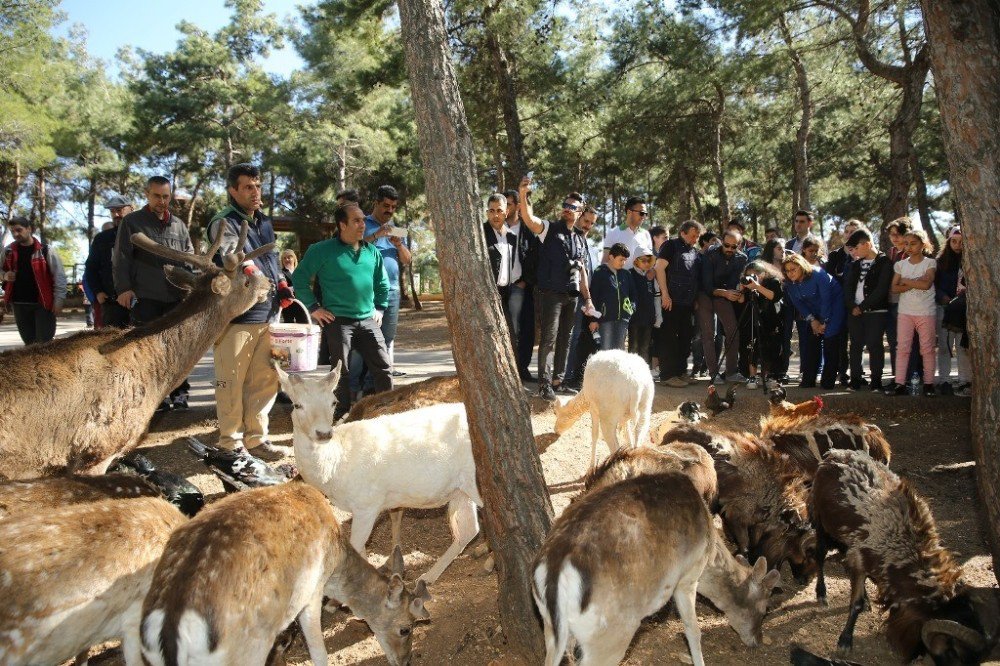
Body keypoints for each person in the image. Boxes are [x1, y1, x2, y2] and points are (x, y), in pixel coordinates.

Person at [207, 163, 283, 457]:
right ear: (233, 191)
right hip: (236, 315)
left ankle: (257, 438)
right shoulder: (223, 221)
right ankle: (230, 442)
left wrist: (281, 283)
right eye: (248, 187)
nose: (255, 192)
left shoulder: (264, 221)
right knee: (231, 381)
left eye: (258, 186)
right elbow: (231, 255)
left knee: (264, 380)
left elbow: (272, 259)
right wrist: (252, 271)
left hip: (268, 312)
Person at [293, 203, 392, 419]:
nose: (362, 224)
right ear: (342, 224)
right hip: (338, 321)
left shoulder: (372, 251)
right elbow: (299, 279)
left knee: (383, 367)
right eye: (356, 220)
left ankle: (388, 411)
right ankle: (342, 415)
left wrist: (380, 308)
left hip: (368, 320)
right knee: (342, 373)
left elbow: (382, 284)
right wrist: (313, 308)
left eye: (363, 220)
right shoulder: (321, 250)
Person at [113, 176, 194, 410]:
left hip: (176, 298)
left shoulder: (178, 225)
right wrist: (124, 288)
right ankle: (152, 397)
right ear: (147, 195)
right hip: (147, 296)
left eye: (166, 196)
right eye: (157, 196)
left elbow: (188, 254)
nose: (162, 201)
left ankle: (179, 394)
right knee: (148, 350)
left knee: (179, 348)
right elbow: (121, 258)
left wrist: (192, 284)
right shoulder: (132, 222)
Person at [517, 175, 594, 400]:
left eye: (573, 207)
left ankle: (558, 381)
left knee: (565, 339)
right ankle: (544, 384)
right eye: (566, 205)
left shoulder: (580, 239)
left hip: (572, 296)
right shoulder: (549, 228)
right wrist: (523, 194)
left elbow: (582, 272)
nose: (568, 209)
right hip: (550, 294)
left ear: (580, 213)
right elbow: (529, 219)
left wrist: (587, 299)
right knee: (549, 340)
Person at [350, 185, 411, 395]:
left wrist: (399, 246)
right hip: (366, 291)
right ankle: (351, 388)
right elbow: (353, 249)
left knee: (385, 340)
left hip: (392, 292)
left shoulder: (396, 228)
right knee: (360, 341)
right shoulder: (362, 224)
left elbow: (407, 260)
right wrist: (376, 235)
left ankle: (371, 389)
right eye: (386, 206)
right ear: (375, 203)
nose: (390, 210)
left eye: (394, 207)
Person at [885, 229, 937, 396]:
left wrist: (905, 281)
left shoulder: (929, 263)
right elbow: (894, 288)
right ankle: (900, 383)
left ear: (923, 244)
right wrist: (916, 281)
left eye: (913, 243)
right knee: (902, 348)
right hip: (905, 312)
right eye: (906, 244)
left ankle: (929, 384)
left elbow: (927, 284)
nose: (909, 247)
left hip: (926, 311)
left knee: (927, 349)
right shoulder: (900, 264)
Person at [781, 253, 845, 389]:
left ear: (802, 266)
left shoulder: (818, 274)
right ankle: (808, 379)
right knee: (811, 341)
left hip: (833, 306)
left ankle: (828, 382)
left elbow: (826, 299)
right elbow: (799, 304)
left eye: (793, 269)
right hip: (813, 311)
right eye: (787, 270)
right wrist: (812, 321)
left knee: (830, 340)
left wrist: (824, 322)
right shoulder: (789, 284)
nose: (790, 273)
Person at [1, 216, 66, 344]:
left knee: (44, 344)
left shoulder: (45, 250)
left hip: (43, 304)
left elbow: (59, 276)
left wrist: (59, 300)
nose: (15, 234)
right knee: (29, 346)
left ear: (29, 229)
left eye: (19, 230)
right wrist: (5, 275)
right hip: (19, 304)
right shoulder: (8, 251)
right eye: (13, 231)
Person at [655, 219, 704, 387]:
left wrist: (695, 299)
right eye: (692, 236)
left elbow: (695, 276)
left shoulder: (695, 252)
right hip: (671, 301)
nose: (695, 239)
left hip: (688, 303)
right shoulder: (670, 246)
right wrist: (665, 295)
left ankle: (681, 372)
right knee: (669, 338)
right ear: (682, 233)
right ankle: (667, 375)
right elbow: (659, 268)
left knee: (685, 338)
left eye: (697, 236)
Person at [842, 228, 892, 392]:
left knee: (874, 344)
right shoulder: (855, 265)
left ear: (867, 244)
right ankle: (855, 379)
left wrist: (863, 307)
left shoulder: (884, 262)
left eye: (856, 248)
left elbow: (881, 289)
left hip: (876, 312)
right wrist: (852, 306)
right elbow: (848, 287)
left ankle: (876, 381)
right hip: (854, 312)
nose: (854, 252)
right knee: (855, 345)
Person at [697, 230, 748, 384]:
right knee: (709, 334)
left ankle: (731, 372)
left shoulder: (741, 258)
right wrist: (724, 293)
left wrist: (738, 291)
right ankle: (713, 373)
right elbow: (706, 285)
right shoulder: (709, 254)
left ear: (739, 246)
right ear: (721, 242)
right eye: (726, 245)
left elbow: (734, 282)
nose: (730, 249)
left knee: (733, 331)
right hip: (705, 294)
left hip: (723, 296)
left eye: (734, 246)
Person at [560, 205, 599, 390]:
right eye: (586, 221)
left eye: (592, 223)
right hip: (571, 296)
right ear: (579, 218)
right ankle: (564, 379)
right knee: (570, 338)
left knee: (582, 341)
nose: (588, 226)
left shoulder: (590, 246)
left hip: (587, 300)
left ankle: (574, 377)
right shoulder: (569, 239)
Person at [84, 194, 134, 329]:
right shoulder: (102, 239)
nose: (116, 214)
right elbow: (91, 268)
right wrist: (98, 292)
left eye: (120, 209)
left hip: (140, 303)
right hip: (112, 304)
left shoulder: (142, 235)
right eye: (112, 211)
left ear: (131, 209)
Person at [506, 189, 540, 381]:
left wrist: (526, 280)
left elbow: (535, 257)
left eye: (510, 204)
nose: (506, 208)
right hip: (499, 288)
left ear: (518, 206)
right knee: (507, 330)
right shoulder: (494, 228)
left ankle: (522, 369)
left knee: (524, 330)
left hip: (521, 287)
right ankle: (508, 370)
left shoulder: (528, 230)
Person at [825, 219, 863, 387]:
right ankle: (842, 372)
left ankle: (857, 372)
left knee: (857, 341)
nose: (850, 235)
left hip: (858, 305)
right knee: (840, 341)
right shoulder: (835, 256)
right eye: (847, 232)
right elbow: (830, 281)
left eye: (854, 232)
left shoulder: (864, 256)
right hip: (838, 306)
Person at [735, 260, 784, 390]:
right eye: (749, 275)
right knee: (753, 347)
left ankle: (767, 376)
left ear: (764, 273)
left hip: (771, 319)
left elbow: (775, 296)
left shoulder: (773, 282)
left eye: (756, 274)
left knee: (770, 348)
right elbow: (741, 301)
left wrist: (757, 286)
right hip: (753, 319)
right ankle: (752, 376)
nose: (753, 277)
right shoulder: (749, 284)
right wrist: (741, 289)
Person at [934, 226, 968, 388]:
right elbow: (934, 286)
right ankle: (944, 380)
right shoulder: (940, 262)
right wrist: (944, 298)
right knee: (944, 346)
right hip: (944, 309)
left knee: (963, 347)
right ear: (948, 242)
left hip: (964, 310)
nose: (957, 245)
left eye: (961, 242)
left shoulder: (971, 260)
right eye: (954, 241)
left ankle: (964, 380)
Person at [590, 243, 635, 350]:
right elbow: (594, 296)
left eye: (625, 260)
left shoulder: (626, 274)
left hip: (623, 320)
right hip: (605, 320)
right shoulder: (600, 272)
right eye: (621, 259)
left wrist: (631, 309)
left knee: (619, 351)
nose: (623, 263)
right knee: (605, 350)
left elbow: (633, 295)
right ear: (611, 257)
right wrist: (593, 319)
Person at [483, 193, 516, 338]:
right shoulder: (480, 233)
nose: (495, 215)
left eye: (499, 211)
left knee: (509, 337)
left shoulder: (512, 237)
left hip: (506, 295)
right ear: (487, 213)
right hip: (486, 296)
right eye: (492, 211)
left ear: (506, 212)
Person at [602, 196, 652, 270]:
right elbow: (605, 261)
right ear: (629, 212)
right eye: (641, 213)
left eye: (645, 214)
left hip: (641, 280)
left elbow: (650, 262)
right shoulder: (612, 233)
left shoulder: (646, 235)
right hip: (620, 280)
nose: (644, 217)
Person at [628, 247, 657, 365]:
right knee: (633, 345)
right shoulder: (629, 274)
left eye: (648, 261)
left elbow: (654, 296)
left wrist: (655, 315)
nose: (646, 263)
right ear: (636, 261)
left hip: (648, 317)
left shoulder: (651, 276)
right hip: (634, 318)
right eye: (643, 260)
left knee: (645, 346)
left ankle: (643, 373)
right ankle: (630, 372)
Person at [278, 249, 308, 323]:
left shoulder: (301, 271)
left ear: (294, 258)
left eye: (289, 257)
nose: (287, 259)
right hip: (288, 305)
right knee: (289, 328)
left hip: (301, 303)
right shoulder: (280, 273)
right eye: (284, 258)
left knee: (303, 326)